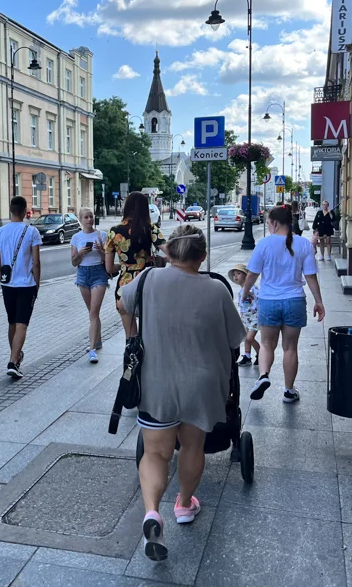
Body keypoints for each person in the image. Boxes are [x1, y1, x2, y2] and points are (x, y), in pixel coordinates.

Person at [121, 225, 244, 562]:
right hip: (201, 386)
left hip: (156, 383)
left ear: (168, 252)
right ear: (202, 257)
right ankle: (185, 505)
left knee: (155, 453)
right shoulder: (216, 290)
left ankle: (152, 512)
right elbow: (235, 338)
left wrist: (134, 334)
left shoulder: (147, 280)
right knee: (192, 446)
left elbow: (122, 304)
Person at [242, 205, 326, 404]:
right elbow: (311, 276)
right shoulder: (304, 244)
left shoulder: (264, 244)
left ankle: (264, 375)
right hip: (294, 301)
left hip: (269, 301)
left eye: (268, 222)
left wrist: (245, 293)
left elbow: (252, 274)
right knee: (290, 348)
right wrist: (319, 301)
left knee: (266, 344)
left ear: (274, 222)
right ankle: (288, 391)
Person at [0, 196, 42, 379]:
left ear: (11, 210)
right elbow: (36, 262)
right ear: (24, 211)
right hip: (26, 285)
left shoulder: (0, 232)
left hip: (8, 286)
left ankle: (15, 356)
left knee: (12, 322)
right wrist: (37, 283)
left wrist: (3, 280)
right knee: (22, 324)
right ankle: (13, 361)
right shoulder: (32, 231)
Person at [105, 191, 166, 339]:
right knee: (148, 337)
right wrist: (159, 260)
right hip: (147, 285)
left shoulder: (114, 232)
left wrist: (124, 266)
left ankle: (132, 353)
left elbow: (109, 268)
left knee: (131, 338)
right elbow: (170, 252)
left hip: (124, 288)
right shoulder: (150, 228)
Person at [71, 207, 109, 363]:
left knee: (94, 312)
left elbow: (107, 259)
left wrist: (101, 251)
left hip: (98, 274)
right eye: (86, 217)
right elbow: (74, 262)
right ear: (80, 220)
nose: (89, 219)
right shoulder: (76, 237)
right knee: (92, 313)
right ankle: (97, 341)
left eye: (91, 216)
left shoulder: (102, 235)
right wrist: (80, 253)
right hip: (83, 274)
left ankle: (92, 350)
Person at [228, 263, 260, 366]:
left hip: (254, 317)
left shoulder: (253, 289)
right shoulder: (241, 291)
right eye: (234, 274)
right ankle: (247, 356)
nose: (235, 276)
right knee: (247, 338)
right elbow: (243, 306)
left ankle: (260, 354)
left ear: (246, 275)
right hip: (246, 318)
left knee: (249, 338)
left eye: (238, 273)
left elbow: (259, 301)